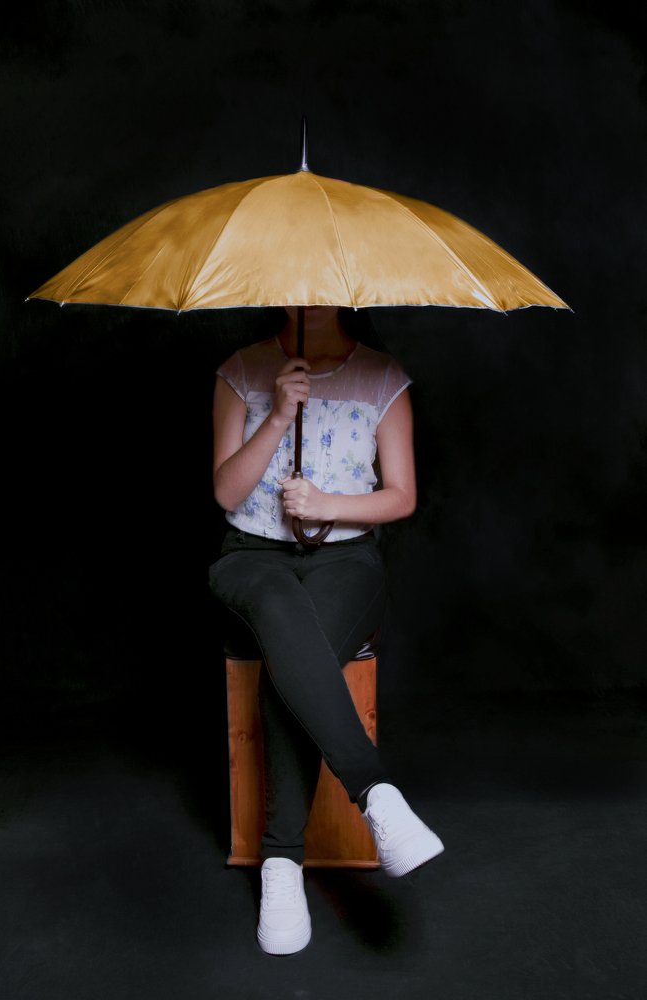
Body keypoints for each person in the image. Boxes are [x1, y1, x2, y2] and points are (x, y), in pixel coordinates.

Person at [208, 305, 444, 956]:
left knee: (293, 660)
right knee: (280, 607)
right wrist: (277, 415)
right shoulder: (241, 372)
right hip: (252, 558)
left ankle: (280, 861)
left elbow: (401, 495)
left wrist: (328, 504)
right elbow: (226, 492)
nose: (310, 300)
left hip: (347, 561)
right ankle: (376, 794)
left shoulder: (383, 378)